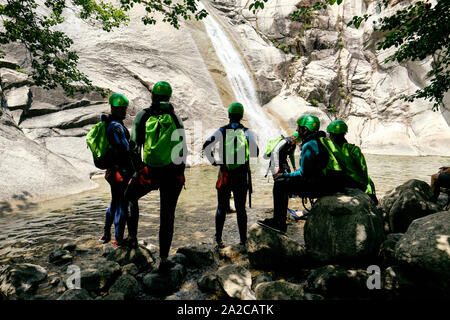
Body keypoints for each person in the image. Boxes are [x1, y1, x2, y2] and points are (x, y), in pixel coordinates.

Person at [128, 81, 187, 271]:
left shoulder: (143, 116)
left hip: (151, 172)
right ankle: (163, 260)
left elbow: (134, 147)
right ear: (169, 97)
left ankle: (132, 239)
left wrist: (139, 169)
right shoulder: (175, 117)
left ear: (152, 96)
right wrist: (179, 173)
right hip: (172, 173)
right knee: (167, 216)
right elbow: (182, 149)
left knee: (129, 197)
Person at [259, 114, 352, 233]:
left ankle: (278, 223)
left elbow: (303, 173)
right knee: (284, 183)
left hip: (321, 186)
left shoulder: (309, 144)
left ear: (305, 129)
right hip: (332, 184)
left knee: (279, 185)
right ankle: (280, 221)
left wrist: (284, 175)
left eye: (299, 128)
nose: (297, 130)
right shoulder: (322, 141)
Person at [202, 102, 259, 249]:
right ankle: (243, 241)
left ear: (229, 115)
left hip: (225, 174)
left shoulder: (222, 131)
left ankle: (219, 239)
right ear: (241, 116)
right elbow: (255, 152)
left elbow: (207, 145)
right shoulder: (246, 132)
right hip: (241, 176)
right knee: (241, 208)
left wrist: (214, 162)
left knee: (221, 206)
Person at [99, 93, 139, 247]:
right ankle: (119, 240)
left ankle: (106, 234)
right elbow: (125, 149)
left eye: (124, 108)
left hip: (111, 170)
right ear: (115, 108)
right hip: (120, 171)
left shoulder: (107, 122)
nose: (124, 111)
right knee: (121, 205)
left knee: (115, 202)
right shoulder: (116, 126)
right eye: (122, 108)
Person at [326, 120, 378, 204]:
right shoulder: (354, 150)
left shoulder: (330, 151)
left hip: (343, 184)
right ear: (344, 134)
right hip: (360, 184)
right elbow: (363, 169)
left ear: (331, 135)